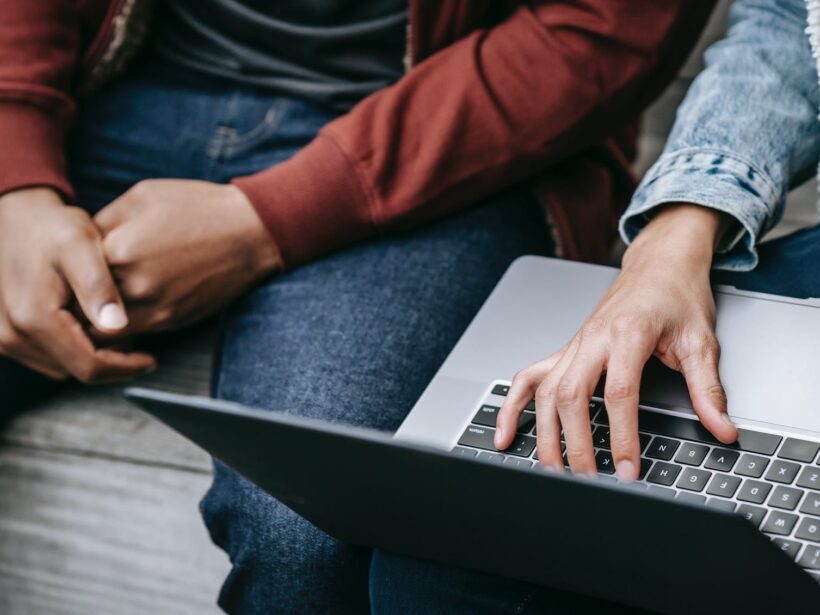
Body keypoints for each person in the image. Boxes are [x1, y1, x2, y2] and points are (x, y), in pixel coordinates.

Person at [0, 1, 719, 612]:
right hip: (121, 90)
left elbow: (599, 29)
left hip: (446, 145)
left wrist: (271, 219)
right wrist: (16, 171)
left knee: (306, 531)